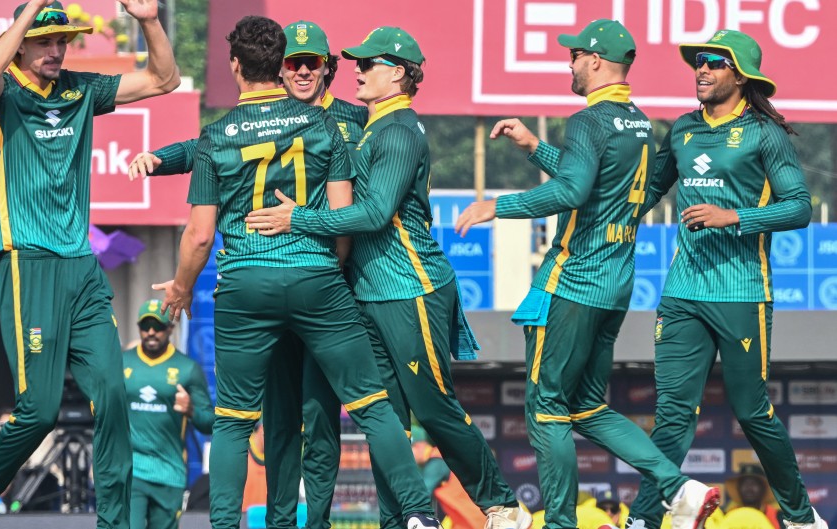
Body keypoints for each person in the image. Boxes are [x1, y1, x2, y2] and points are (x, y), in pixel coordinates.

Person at [151, 15, 440, 529]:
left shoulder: (217, 135)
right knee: (371, 405)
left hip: (244, 286)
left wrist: (180, 288)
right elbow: (342, 219)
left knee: (236, 422)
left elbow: (198, 235)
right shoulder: (326, 124)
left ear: (235, 66)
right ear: (280, 66)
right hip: (317, 280)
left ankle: (226, 524)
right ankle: (419, 514)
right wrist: (332, 271)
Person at [244, 25, 527, 529]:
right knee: (387, 424)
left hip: (411, 287)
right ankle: (401, 523)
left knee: (433, 408)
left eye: (368, 63)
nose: (356, 70)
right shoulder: (375, 126)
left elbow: (374, 214)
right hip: (372, 293)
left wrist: (300, 219)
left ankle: (501, 504)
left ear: (397, 74)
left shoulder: (398, 130)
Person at [452, 19, 719, 529]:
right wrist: (535, 147)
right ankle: (678, 485)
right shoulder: (639, 123)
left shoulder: (588, 119)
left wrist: (498, 206)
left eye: (574, 55)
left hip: (572, 280)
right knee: (587, 407)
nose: (569, 64)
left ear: (595, 61)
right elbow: (593, 182)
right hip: (615, 284)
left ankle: (560, 524)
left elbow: (574, 191)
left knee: (546, 409)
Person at [127, 20, 367, 529]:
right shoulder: (265, 119)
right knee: (279, 419)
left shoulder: (353, 120)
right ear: (278, 68)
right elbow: (205, 147)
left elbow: (373, 199)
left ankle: (317, 521)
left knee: (320, 419)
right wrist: (160, 156)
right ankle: (281, 521)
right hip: (295, 284)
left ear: (330, 69)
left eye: (312, 63)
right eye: (293, 62)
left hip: (326, 283)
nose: (302, 71)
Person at [0, 0, 181, 527]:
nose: (57, 50)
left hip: (82, 266)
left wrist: (147, 19)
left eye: (63, 41)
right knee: (39, 411)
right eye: (45, 41)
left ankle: (115, 522)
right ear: (23, 41)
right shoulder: (1, 94)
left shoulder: (81, 89)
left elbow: (163, 80)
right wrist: (30, 10)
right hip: (27, 264)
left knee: (114, 396)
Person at [625, 29, 826, 529]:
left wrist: (733, 217)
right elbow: (649, 190)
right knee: (672, 416)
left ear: (740, 74)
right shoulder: (683, 129)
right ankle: (643, 520)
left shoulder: (764, 133)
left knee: (754, 413)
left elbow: (799, 207)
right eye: (699, 61)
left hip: (742, 292)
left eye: (715, 61)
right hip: (682, 293)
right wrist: (608, 220)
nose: (702, 69)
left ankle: (802, 518)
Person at [123, 299, 215, 529]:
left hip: (169, 472)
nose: (151, 332)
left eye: (158, 326)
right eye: (146, 326)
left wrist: (191, 409)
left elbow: (209, 423)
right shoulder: (123, 362)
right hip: (132, 469)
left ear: (170, 329)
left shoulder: (187, 369)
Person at [723, 464, 781, 529]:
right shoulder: (727, 515)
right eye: (745, 483)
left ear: (763, 488)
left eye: (754, 483)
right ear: (738, 488)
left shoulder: (779, 517)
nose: (749, 487)